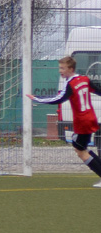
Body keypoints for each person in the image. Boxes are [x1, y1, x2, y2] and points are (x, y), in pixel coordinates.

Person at [26, 56, 101, 187]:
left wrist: (37, 98)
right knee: (82, 148)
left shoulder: (70, 84)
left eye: (62, 68)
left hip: (82, 122)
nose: (60, 71)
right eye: (59, 68)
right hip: (91, 118)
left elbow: (58, 99)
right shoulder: (85, 79)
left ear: (70, 69)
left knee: (80, 151)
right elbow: (98, 91)